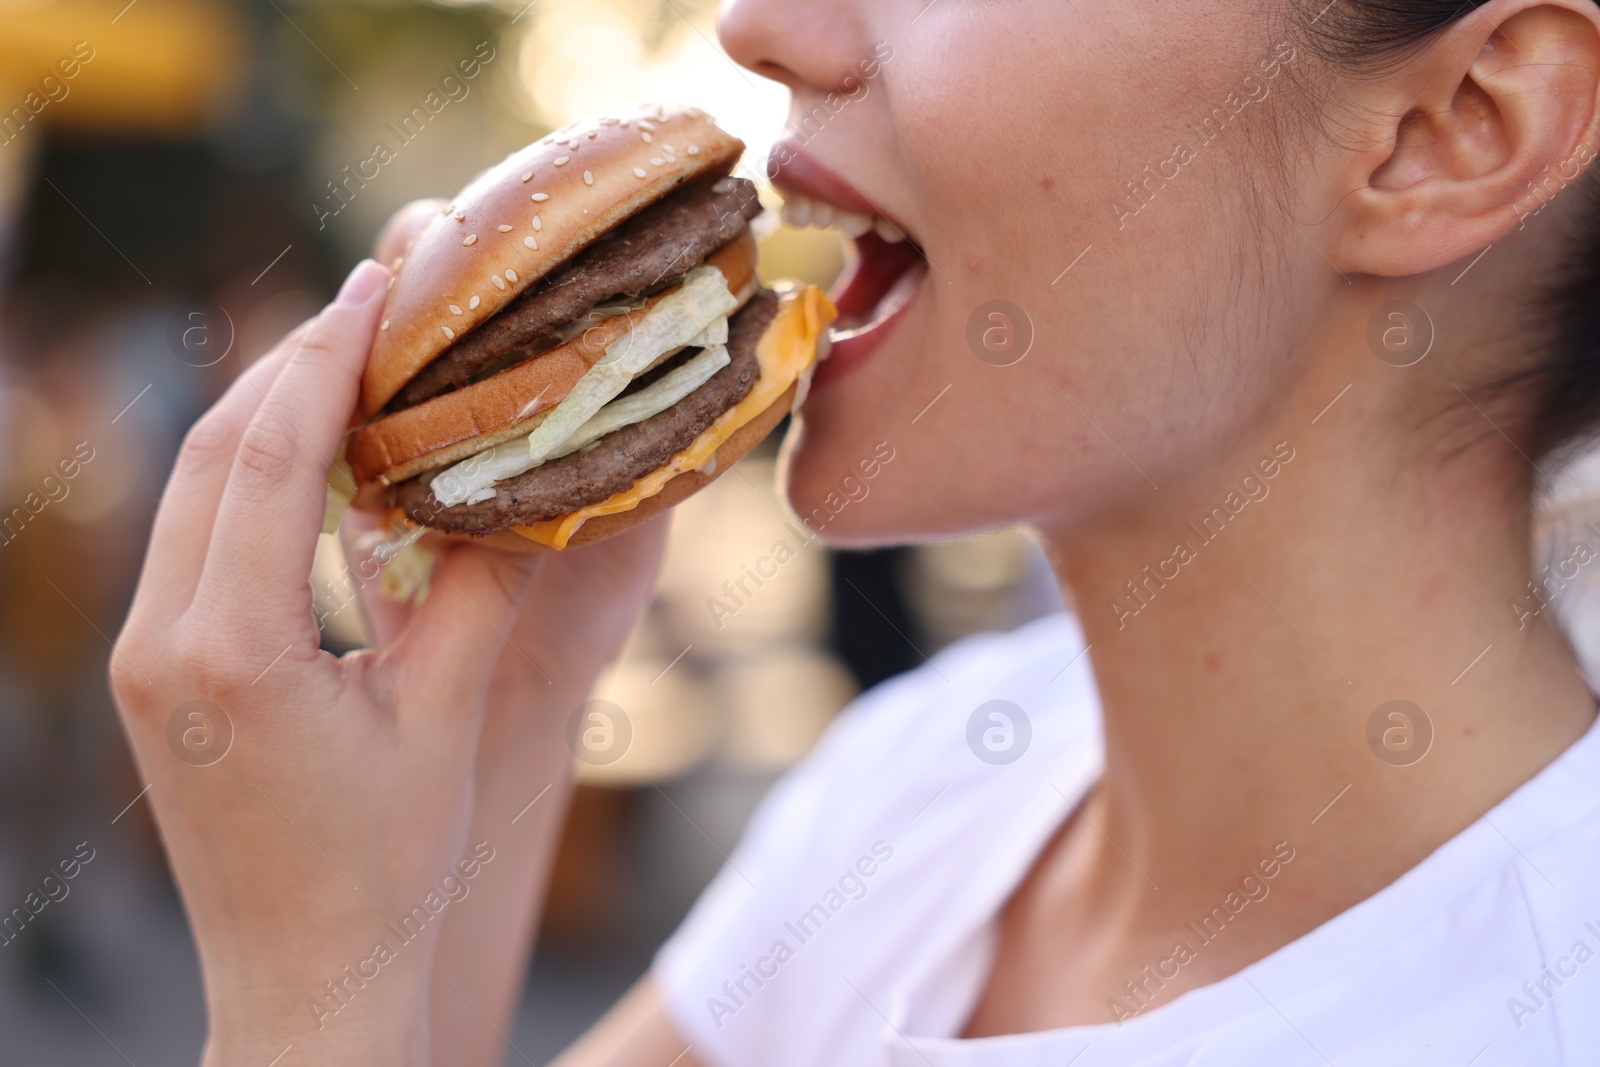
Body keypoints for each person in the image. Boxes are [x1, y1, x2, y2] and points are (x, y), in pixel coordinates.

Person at [110, 0, 1600, 1062]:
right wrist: (503, 711)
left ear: (1450, 132)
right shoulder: (924, 794)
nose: (763, 26)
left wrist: (301, 1012)